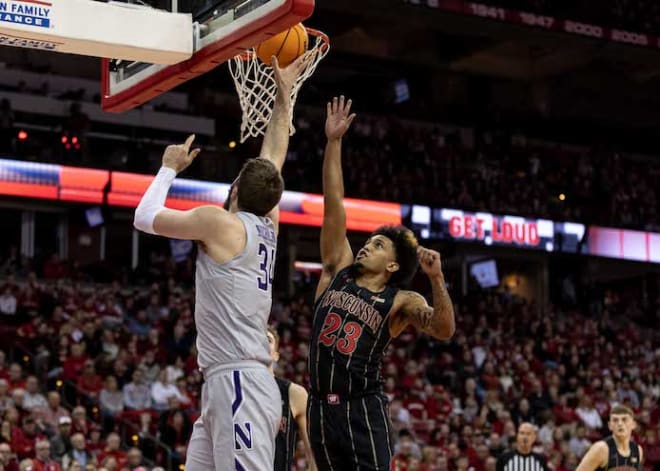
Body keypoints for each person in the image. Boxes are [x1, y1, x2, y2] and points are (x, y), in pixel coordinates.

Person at [133, 54, 311, 471]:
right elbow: (275, 151)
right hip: (225, 382)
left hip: (239, 382)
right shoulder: (269, 223)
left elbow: (144, 217)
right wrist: (284, 92)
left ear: (233, 191)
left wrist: (167, 168)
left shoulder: (219, 222)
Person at [307, 96, 456, 471]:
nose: (365, 247)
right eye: (367, 241)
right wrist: (334, 142)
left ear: (392, 263)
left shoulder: (399, 300)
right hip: (319, 406)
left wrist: (436, 279)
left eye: (376, 245)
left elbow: (443, 329)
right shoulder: (335, 270)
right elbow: (333, 201)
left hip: (363, 409)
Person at [266, 328, 316, 471]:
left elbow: (314, 454)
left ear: (276, 355)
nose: (262, 341)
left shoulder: (293, 393)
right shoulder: (235, 392)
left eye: (268, 340)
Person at [576, 405, 644, 471]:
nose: (620, 423)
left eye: (624, 419)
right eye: (615, 420)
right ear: (610, 426)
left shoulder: (638, 450)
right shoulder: (601, 449)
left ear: (633, 425)